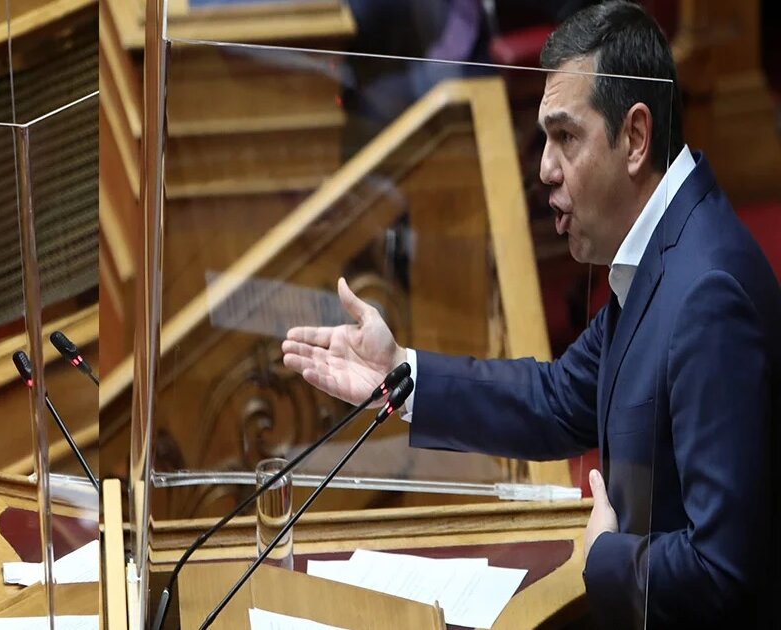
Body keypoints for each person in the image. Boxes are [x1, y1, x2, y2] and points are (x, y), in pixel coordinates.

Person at [282, 2, 780, 628]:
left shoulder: (707, 294)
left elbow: (723, 570)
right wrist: (400, 373)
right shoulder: (661, 249)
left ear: (635, 137)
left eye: (565, 137)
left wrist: (606, 556)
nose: (544, 167)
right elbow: (558, 399)